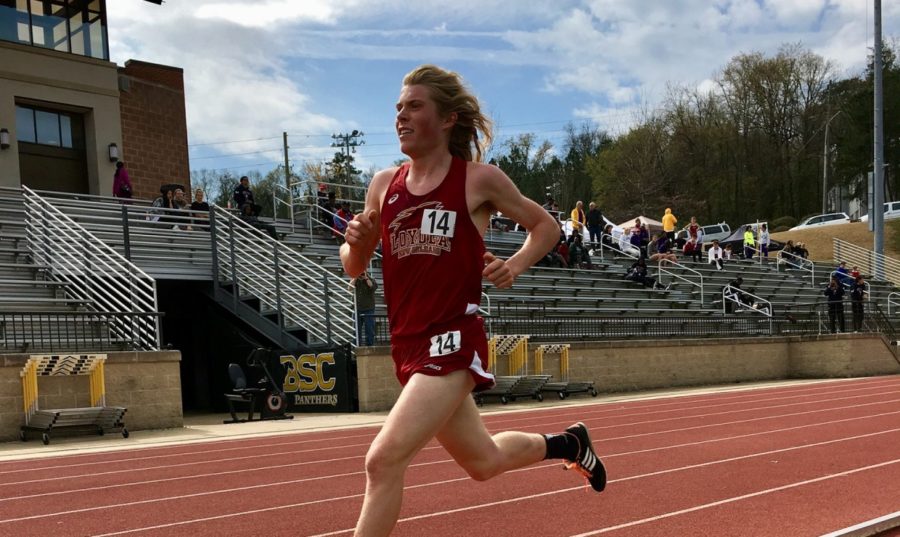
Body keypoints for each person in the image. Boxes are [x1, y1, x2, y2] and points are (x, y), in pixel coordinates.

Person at [339, 65, 606, 536]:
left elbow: (545, 226)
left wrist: (515, 265)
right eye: (398, 108)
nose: (401, 116)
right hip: (408, 345)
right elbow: (354, 267)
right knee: (483, 462)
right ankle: (568, 444)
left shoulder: (477, 180)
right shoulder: (384, 185)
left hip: (453, 340)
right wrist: (358, 242)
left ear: (447, 120)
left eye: (414, 106)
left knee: (382, 461)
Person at [353, 271, 378, 346]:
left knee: (369, 330)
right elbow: (349, 287)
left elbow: (372, 287)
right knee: (356, 330)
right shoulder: (356, 279)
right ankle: (356, 347)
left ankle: (370, 347)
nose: (361, 274)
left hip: (368, 309)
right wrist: (355, 277)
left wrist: (366, 278)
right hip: (357, 308)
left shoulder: (371, 279)